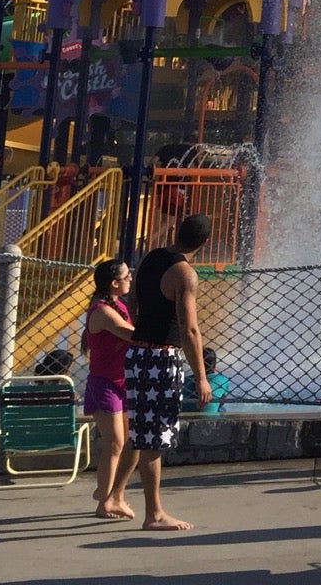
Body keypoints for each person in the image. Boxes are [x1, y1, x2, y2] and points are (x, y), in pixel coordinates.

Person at [107, 213, 214, 531]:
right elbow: (189, 329)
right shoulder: (185, 275)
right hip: (162, 358)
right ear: (204, 243)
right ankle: (154, 514)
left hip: (138, 353)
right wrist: (202, 376)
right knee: (153, 439)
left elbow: (135, 303)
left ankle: (114, 496)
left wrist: (145, 329)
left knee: (140, 431)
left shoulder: (150, 258)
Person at [82, 257, 134, 519]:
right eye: (127, 276)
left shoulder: (119, 304)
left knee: (129, 443)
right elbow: (130, 334)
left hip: (123, 382)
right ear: (114, 283)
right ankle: (104, 499)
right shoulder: (102, 311)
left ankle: (114, 496)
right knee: (114, 444)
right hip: (104, 384)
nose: (131, 279)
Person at [182, 347, 230, 414]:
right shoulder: (223, 380)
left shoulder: (185, 380)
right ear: (214, 364)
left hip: (184, 415)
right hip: (210, 418)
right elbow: (221, 402)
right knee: (222, 409)